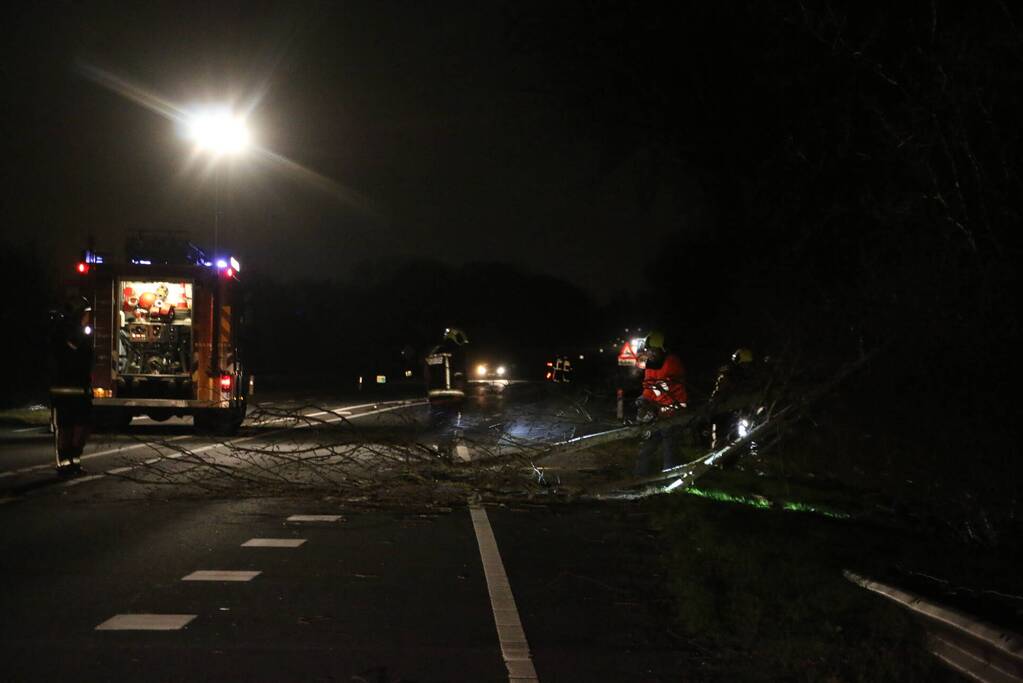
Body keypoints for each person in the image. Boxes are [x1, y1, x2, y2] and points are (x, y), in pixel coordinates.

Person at [634, 330, 688, 476]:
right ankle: (640, 476)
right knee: (648, 446)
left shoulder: (672, 362)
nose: (650, 353)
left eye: (653, 350)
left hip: (673, 412)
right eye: (648, 350)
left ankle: (672, 479)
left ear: (662, 349)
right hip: (658, 413)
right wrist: (643, 400)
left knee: (670, 447)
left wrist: (652, 405)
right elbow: (648, 386)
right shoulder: (651, 364)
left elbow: (667, 387)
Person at [49, 297, 94, 473]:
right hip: (71, 388)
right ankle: (68, 461)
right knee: (74, 425)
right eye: (86, 314)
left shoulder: (63, 332)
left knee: (73, 425)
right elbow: (74, 353)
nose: (88, 318)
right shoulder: (72, 335)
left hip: (70, 388)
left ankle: (71, 461)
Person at [424, 327, 470, 411]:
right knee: (454, 423)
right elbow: (459, 375)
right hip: (453, 398)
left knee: (436, 421)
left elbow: (427, 375)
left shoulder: (433, 352)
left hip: (434, 398)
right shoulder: (456, 352)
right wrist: (461, 393)